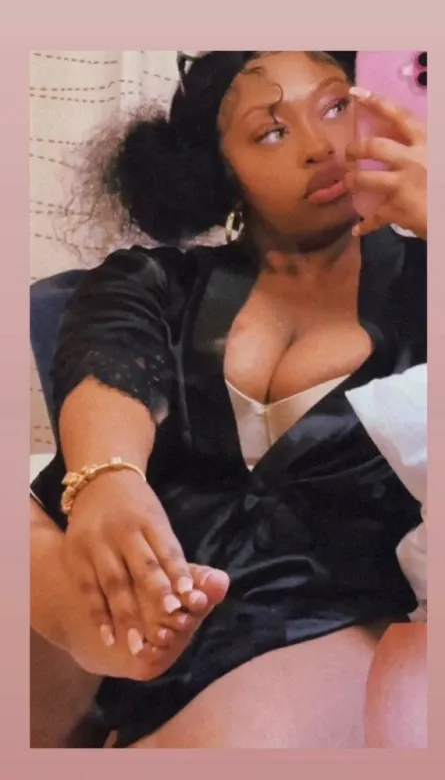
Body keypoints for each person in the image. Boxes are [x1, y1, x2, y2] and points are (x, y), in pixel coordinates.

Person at [30, 50, 427, 748]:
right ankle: (90, 635)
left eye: (337, 106)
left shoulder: (427, 281)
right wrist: (107, 480)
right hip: (118, 578)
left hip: (320, 616)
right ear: (222, 172)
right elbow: (109, 360)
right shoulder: (157, 279)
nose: (320, 146)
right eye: (271, 132)